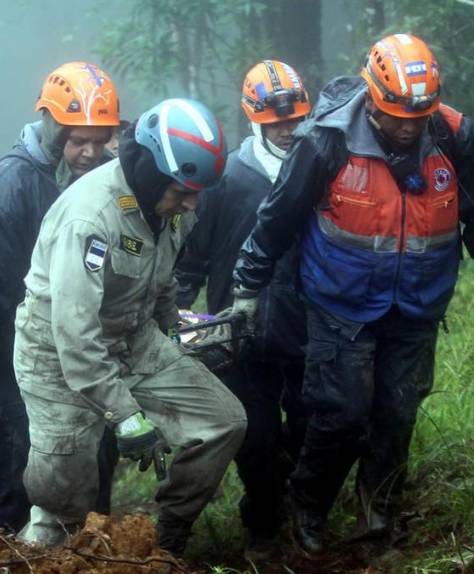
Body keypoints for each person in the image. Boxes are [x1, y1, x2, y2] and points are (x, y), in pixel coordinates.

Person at [231, 34, 474, 555]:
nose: (408, 127)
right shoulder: (324, 141)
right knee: (341, 414)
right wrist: (248, 287)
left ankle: (378, 526)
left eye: (419, 116)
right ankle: (307, 506)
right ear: (371, 97)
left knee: (396, 416)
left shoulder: (455, 136)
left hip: (417, 305)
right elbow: (277, 220)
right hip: (338, 304)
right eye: (396, 116)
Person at [15, 98, 246, 555]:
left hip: (134, 336)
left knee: (224, 422)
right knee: (63, 499)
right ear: (152, 171)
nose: (191, 202)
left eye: (196, 192)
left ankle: (165, 537)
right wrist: (125, 416)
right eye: (182, 190)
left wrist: (175, 336)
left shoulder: (171, 204)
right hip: (57, 356)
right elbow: (76, 337)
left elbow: (163, 279)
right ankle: (43, 554)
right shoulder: (90, 218)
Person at [0, 61, 120, 530]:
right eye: (77, 139)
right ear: (50, 124)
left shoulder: (103, 181)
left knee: (94, 469)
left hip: (78, 355)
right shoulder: (9, 188)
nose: (88, 152)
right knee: (13, 476)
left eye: (98, 141)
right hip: (11, 359)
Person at [175, 59, 312, 561]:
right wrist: (177, 311)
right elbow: (196, 253)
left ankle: (301, 512)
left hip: (307, 326)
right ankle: (262, 526)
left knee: (308, 424)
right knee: (255, 436)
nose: (288, 129)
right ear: (253, 118)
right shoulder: (227, 177)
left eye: (295, 118)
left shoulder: (319, 167)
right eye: (277, 121)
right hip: (240, 331)